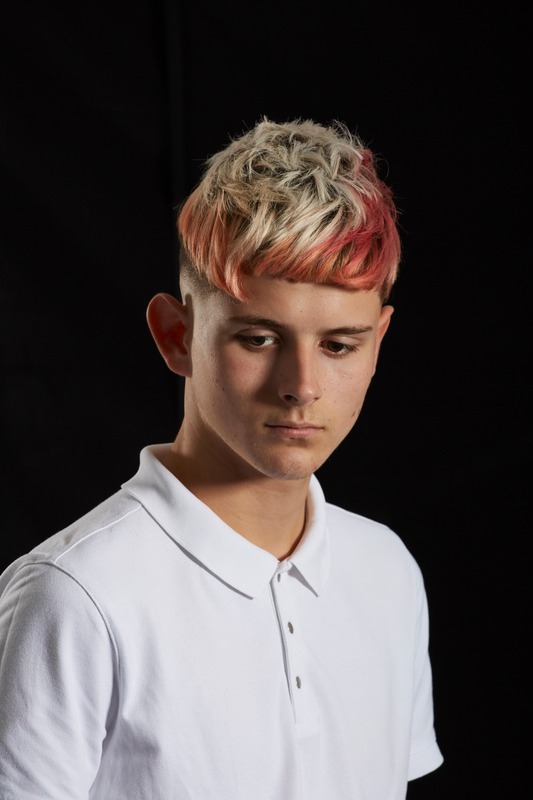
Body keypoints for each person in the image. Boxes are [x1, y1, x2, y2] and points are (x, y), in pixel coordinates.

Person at [0, 117, 443, 798]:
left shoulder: (386, 571)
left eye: (338, 345)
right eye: (258, 338)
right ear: (176, 335)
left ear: (378, 342)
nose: (300, 386)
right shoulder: (76, 595)